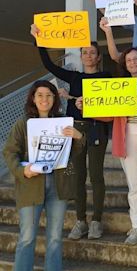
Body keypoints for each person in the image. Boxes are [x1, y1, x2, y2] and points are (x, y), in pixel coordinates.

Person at [77, 47, 137, 245]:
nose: (132, 63)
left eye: (136, 59)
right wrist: (88, 108)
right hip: (126, 138)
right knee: (135, 186)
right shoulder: (118, 86)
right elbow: (108, 114)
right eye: (128, 61)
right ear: (125, 65)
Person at [30, 25, 110, 240]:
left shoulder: (107, 77)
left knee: (96, 176)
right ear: (81, 56)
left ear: (98, 56)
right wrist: (39, 40)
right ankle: (81, 220)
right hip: (73, 129)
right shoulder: (73, 77)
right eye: (85, 52)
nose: (89, 55)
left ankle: (96, 221)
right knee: (78, 177)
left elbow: (113, 106)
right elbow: (47, 64)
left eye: (93, 52)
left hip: (96, 129)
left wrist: (88, 105)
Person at [3, 80, 85, 271]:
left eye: (49, 95)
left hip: (58, 187)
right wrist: (23, 171)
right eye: (40, 95)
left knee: (55, 239)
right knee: (27, 238)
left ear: (54, 98)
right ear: (33, 98)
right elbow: (9, 153)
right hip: (30, 186)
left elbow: (75, 152)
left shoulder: (63, 122)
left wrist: (79, 137)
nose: (44, 99)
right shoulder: (23, 124)